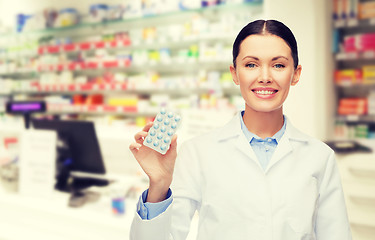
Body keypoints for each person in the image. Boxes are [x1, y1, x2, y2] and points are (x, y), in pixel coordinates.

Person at [129, 19, 352, 240]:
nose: (265, 77)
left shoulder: (320, 157)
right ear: (235, 73)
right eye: (251, 65)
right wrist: (158, 185)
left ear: (295, 74)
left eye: (278, 65)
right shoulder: (198, 152)